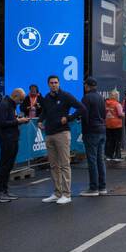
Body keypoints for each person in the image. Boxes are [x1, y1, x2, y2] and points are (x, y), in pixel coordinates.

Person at [39, 75, 82, 205]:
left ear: (59, 83)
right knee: (53, 165)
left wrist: (69, 118)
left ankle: (67, 194)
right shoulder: (47, 97)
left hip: (62, 133)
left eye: (56, 82)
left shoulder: (66, 96)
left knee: (64, 164)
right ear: (48, 84)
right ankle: (57, 192)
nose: (54, 84)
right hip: (49, 133)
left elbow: (81, 108)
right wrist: (40, 120)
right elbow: (45, 112)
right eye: (51, 83)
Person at [0, 88, 29, 203]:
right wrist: (18, 121)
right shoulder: (4, 105)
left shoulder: (11, 105)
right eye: (21, 100)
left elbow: (9, 120)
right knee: (4, 165)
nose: (21, 102)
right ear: (15, 96)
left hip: (12, 138)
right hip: (6, 139)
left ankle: (5, 190)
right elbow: (2, 123)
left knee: (9, 165)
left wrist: (18, 120)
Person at [79, 78, 108, 196]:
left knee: (92, 160)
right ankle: (102, 187)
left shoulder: (86, 98)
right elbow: (104, 114)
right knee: (100, 160)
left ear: (87, 86)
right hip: (101, 129)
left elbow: (84, 115)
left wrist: (84, 130)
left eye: (85, 84)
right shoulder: (101, 97)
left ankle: (93, 188)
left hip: (91, 131)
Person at [104, 90, 124, 162]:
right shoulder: (117, 104)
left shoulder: (105, 104)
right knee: (117, 141)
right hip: (117, 125)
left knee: (109, 140)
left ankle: (108, 156)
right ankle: (117, 156)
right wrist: (124, 114)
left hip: (108, 125)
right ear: (115, 96)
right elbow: (120, 114)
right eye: (117, 95)